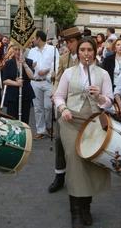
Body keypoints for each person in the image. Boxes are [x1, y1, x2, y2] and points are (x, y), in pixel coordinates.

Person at [53, 37, 114, 228]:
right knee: (75, 162)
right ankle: (76, 212)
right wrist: (64, 109)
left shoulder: (103, 74)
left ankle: (86, 207)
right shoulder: (69, 73)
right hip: (71, 122)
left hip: (93, 123)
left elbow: (109, 101)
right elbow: (58, 96)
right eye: (82, 50)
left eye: (89, 50)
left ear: (95, 52)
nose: (86, 53)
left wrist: (100, 96)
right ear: (77, 53)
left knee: (90, 162)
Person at [48, 26, 82, 193]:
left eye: (71, 42)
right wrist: (54, 94)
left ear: (78, 41)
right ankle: (59, 175)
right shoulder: (63, 58)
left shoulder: (89, 57)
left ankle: (79, 177)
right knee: (60, 141)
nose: (69, 45)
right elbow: (58, 80)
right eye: (67, 42)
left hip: (82, 109)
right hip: (65, 107)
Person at [28, 30, 59, 140]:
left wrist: (47, 71)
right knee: (37, 108)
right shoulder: (32, 51)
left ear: (39, 39)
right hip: (35, 82)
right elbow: (28, 65)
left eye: (34, 38)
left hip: (48, 82)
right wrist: (31, 66)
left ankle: (49, 126)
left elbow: (56, 65)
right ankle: (40, 130)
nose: (32, 40)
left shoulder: (53, 50)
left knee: (48, 106)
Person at [2, 43, 34, 124]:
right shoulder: (9, 63)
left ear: (23, 50)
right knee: (12, 119)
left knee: (24, 118)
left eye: (19, 49)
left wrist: (24, 63)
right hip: (12, 94)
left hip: (25, 94)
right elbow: (5, 80)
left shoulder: (29, 61)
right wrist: (16, 83)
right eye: (15, 49)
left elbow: (31, 76)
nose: (17, 52)